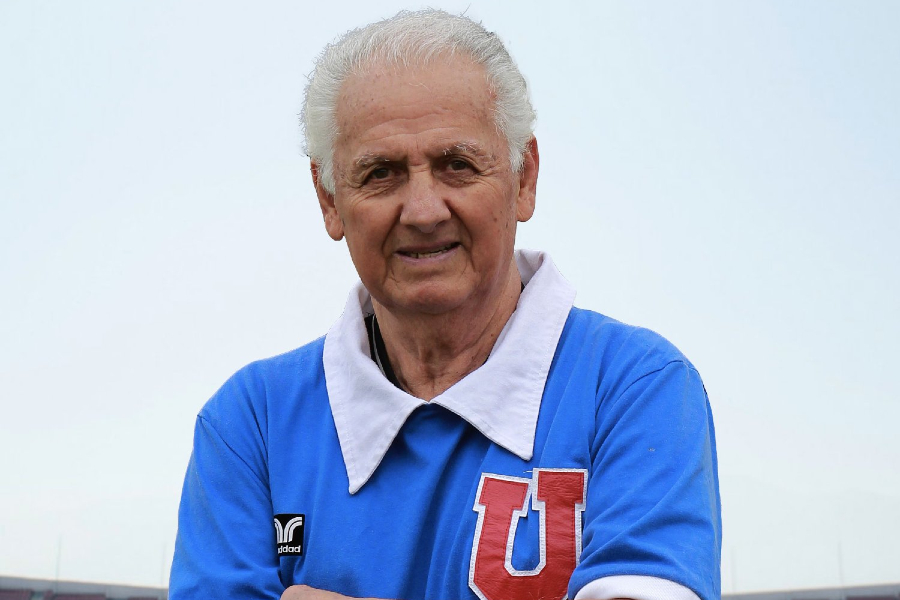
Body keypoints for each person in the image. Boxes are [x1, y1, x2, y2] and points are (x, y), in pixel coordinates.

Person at [169, 9, 721, 600]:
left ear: (524, 178)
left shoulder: (636, 389)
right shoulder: (251, 426)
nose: (424, 211)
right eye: (380, 173)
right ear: (329, 199)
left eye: (457, 165)